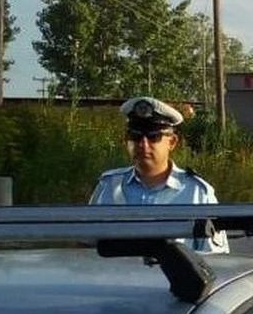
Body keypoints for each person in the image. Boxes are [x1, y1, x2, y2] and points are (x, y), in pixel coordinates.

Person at [88, 96, 228, 253]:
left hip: (174, 277)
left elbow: (217, 262)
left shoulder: (197, 193)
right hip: (117, 276)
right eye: (136, 136)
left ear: (172, 142)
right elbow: (87, 251)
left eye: (154, 137)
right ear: (126, 140)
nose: (143, 144)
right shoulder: (108, 186)